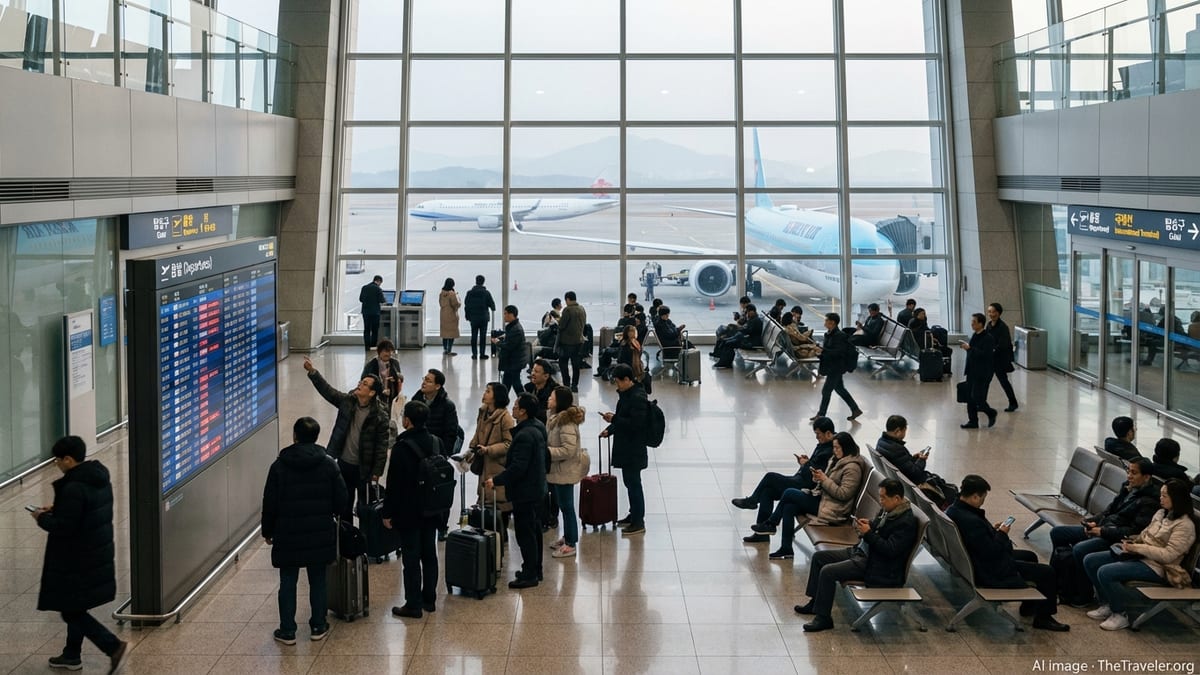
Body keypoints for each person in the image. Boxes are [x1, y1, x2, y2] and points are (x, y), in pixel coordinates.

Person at [31, 436, 128, 672]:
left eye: (58, 460)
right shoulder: (96, 477)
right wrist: (58, 507)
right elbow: (87, 509)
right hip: (94, 553)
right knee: (76, 606)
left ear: (68, 459)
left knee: (70, 610)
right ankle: (71, 655)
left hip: (77, 558)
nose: (57, 464)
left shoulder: (73, 487)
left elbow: (64, 527)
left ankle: (113, 646)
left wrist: (41, 517)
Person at [793, 478, 920, 632]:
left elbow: (890, 550)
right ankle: (815, 603)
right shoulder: (890, 510)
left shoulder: (906, 523)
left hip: (877, 566)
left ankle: (824, 618)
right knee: (819, 558)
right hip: (862, 552)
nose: (881, 501)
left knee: (828, 571)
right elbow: (879, 528)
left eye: (883, 498)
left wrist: (868, 534)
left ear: (897, 498)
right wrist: (869, 524)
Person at [261, 417, 348, 643]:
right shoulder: (329, 464)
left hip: (287, 532)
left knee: (288, 579)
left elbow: (269, 502)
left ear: (295, 436)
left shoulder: (279, 466)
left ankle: (287, 630)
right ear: (316, 437)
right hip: (319, 532)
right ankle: (318, 625)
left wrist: (267, 531)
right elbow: (342, 501)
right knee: (318, 578)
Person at [947, 475, 1070, 631]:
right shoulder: (972, 521)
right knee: (1047, 572)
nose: (983, 501)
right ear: (975, 496)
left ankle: (1029, 605)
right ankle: (1044, 618)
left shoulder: (954, 509)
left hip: (972, 559)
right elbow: (993, 552)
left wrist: (992, 531)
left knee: (1030, 556)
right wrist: (1002, 534)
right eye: (983, 498)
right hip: (988, 571)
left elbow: (979, 542)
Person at [1082, 479, 1196, 631]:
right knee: (1091, 560)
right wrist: (1130, 543)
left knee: (1106, 572)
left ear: (1177, 498)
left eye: (1165, 496)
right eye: (1161, 495)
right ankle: (1107, 603)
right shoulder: (1161, 513)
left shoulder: (1185, 526)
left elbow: (1168, 555)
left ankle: (1121, 613)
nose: (1160, 498)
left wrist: (1138, 548)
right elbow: (1145, 533)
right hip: (1138, 555)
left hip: (1159, 567)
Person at [1048, 457, 1160, 600]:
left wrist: (1102, 531)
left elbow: (1133, 532)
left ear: (1146, 477)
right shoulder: (1128, 488)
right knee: (1058, 533)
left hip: (1116, 538)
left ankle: (1082, 593)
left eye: (1134, 473)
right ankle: (1057, 582)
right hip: (1104, 528)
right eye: (1128, 471)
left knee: (1080, 549)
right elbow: (1109, 511)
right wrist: (1093, 522)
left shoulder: (1150, 502)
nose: (1129, 476)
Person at [752, 432, 869, 560]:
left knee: (789, 493)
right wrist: (818, 478)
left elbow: (843, 494)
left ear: (846, 447)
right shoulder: (837, 460)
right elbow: (828, 482)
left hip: (834, 509)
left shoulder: (852, 468)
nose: (834, 451)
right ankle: (786, 548)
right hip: (823, 499)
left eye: (837, 448)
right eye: (834, 447)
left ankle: (772, 523)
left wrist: (824, 479)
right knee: (789, 506)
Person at [303, 357, 389, 521]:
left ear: (372, 393)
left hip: (364, 468)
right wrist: (313, 372)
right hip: (343, 464)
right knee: (344, 505)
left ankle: (364, 539)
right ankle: (347, 539)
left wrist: (377, 472)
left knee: (365, 507)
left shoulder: (380, 416)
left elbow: (381, 447)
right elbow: (328, 391)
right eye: (361, 381)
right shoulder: (348, 401)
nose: (359, 384)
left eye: (364, 384)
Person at [384, 400, 446, 618]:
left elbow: (393, 485)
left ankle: (413, 604)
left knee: (411, 557)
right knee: (429, 554)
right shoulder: (437, 442)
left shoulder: (402, 448)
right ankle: (429, 599)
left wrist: (387, 513)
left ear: (406, 420)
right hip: (432, 509)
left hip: (408, 511)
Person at [733, 416, 837, 542]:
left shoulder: (829, 449)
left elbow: (815, 473)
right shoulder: (825, 444)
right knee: (767, 492)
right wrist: (807, 462)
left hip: (804, 486)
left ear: (828, 433)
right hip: (800, 480)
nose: (817, 437)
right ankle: (761, 534)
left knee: (770, 477)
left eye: (818, 434)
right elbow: (816, 466)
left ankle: (753, 501)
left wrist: (806, 464)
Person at [488, 393, 549, 588]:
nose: (512, 408)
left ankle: (530, 574)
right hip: (538, 488)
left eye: (515, 406)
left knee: (525, 534)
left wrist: (496, 480)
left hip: (525, 492)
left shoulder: (524, 435)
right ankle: (535, 569)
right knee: (535, 531)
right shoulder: (538, 426)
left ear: (522, 411)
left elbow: (518, 467)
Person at [602, 364, 651, 536]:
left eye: (618, 381)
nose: (617, 385)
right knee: (630, 483)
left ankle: (639, 521)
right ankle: (633, 515)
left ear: (627, 380)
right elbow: (624, 419)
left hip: (633, 449)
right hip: (627, 447)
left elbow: (635, 425)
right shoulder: (627, 395)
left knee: (634, 484)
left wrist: (614, 419)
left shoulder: (637, 397)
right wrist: (611, 429)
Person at [411, 368, 460, 538]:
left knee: (439, 489)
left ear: (438, 386)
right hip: (418, 453)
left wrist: (442, 454)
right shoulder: (417, 400)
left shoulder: (447, 405)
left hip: (437, 454)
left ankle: (441, 525)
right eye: (424, 378)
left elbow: (451, 432)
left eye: (429, 380)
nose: (424, 382)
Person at [546, 386, 589, 558]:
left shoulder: (566, 423)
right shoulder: (555, 418)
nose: (548, 399)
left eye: (551, 397)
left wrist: (547, 452)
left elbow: (568, 450)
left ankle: (571, 543)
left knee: (567, 507)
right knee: (564, 506)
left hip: (565, 470)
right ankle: (568, 536)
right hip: (558, 470)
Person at [467, 382, 515, 529]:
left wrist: (489, 449)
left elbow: (509, 443)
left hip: (498, 465)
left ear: (496, 397)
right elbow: (478, 433)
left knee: (500, 502)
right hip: (484, 464)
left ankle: (501, 537)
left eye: (488, 391)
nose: (484, 393)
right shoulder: (483, 412)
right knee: (485, 499)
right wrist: (471, 448)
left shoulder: (505, 418)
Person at [811, 313, 864, 422]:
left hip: (836, 367)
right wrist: (820, 353)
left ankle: (821, 415)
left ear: (832, 322)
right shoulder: (829, 334)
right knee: (840, 389)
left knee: (826, 391)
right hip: (832, 366)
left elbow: (838, 353)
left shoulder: (840, 336)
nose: (824, 322)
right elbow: (829, 351)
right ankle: (855, 409)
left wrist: (823, 351)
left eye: (826, 320)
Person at [960, 312, 998, 429]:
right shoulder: (975, 335)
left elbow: (985, 355)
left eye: (974, 322)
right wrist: (968, 349)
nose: (972, 324)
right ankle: (973, 421)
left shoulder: (988, 338)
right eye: (972, 322)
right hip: (972, 371)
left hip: (982, 372)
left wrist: (970, 348)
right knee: (969, 397)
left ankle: (990, 412)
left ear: (981, 324)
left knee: (977, 397)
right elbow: (973, 353)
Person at [873, 415, 930, 485]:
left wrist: (914, 458)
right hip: (909, 483)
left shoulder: (881, 441)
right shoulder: (896, 449)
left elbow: (903, 463)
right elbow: (915, 473)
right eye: (904, 430)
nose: (905, 433)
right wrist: (922, 460)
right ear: (898, 431)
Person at [986, 302, 1019, 412]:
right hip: (991, 358)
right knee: (985, 380)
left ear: (999, 313)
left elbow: (1003, 344)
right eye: (989, 312)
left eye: (994, 312)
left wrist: (992, 350)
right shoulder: (989, 325)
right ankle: (981, 402)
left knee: (1003, 381)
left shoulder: (1003, 327)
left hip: (999, 359)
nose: (991, 314)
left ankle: (1013, 403)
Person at [713, 303, 763, 369]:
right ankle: (724, 361)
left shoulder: (756, 321)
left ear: (752, 311)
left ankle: (725, 362)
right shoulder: (753, 319)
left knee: (729, 343)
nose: (747, 314)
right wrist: (739, 328)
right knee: (727, 341)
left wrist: (738, 328)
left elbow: (747, 331)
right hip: (748, 340)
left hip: (751, 343)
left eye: (747, 312)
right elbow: (746, 330)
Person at [493, 305, 528, 396]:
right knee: (507, 383)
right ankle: (502, 400)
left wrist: (497, 342)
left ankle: (525, 400)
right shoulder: (513, 327)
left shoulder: (515, 329)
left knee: (516, 384)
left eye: (505, 314)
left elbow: (509, 346)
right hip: (512, 362)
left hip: (514, 362)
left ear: (511, 314)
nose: (504, 316)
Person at [558, 290, 587, 393]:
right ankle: (574, 385)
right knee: (576, 364)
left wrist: (558, 320)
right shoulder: (582, 309)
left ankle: (566, 384)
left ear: (567, 299)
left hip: (567, 342)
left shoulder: (567, 310)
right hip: (579, 341)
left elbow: (561, 325)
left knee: (563, 363)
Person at [361, 339, 403, 410]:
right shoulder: (371, 364)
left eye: (390, 351)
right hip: (375, 395)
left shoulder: (395, 363)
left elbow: (400, 378)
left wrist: (396, 377)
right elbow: (364, 379)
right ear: (379, 352)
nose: (388, 354)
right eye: (385, 351)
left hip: (391, 395)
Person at [463, 274, 496, 360]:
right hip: (483, 318)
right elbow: (492, 305)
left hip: (473, 318)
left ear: (476, 281)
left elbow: (466, 305)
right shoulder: (486, 293)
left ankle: (474, 354)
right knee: (483, 336)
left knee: (474, 336)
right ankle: (482, 354)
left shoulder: (469, 293)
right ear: (483, 282)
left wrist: (467, 315)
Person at [359, 274, 386, 350]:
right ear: (379, 281)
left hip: (366, 312)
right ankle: (373, 346)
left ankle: (367, 346)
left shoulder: (364, 287)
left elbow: (361, 299)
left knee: (367, 330)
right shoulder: (378, 289)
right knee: (374, 330)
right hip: (375, 313)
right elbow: (382, 300)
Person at [438, 277, 461, 356]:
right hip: (451, 315)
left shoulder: (441, 293)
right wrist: (459, 300)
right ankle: (449, 349)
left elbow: (440, 304)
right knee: (451, 334)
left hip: (443, 314)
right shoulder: (452, 294)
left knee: (445, 333)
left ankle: (445, 349)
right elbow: (456, 304)